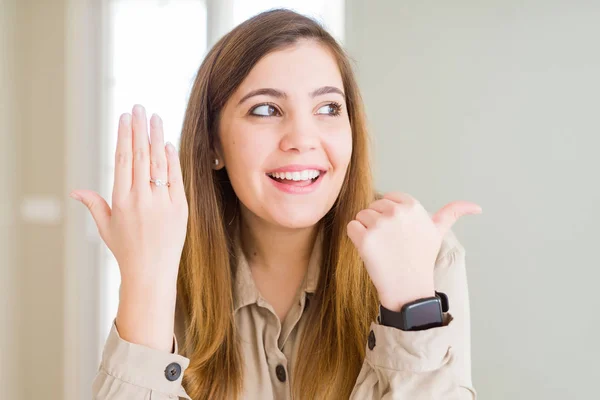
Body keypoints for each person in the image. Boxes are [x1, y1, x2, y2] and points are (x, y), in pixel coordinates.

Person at [70, 9, 481, 400]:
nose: (302, 138)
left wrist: (411, 307)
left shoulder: (424, 257)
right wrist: (147, 277)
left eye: (328, 108)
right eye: (266, 110)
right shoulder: (168, 262)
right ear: (213, 143)